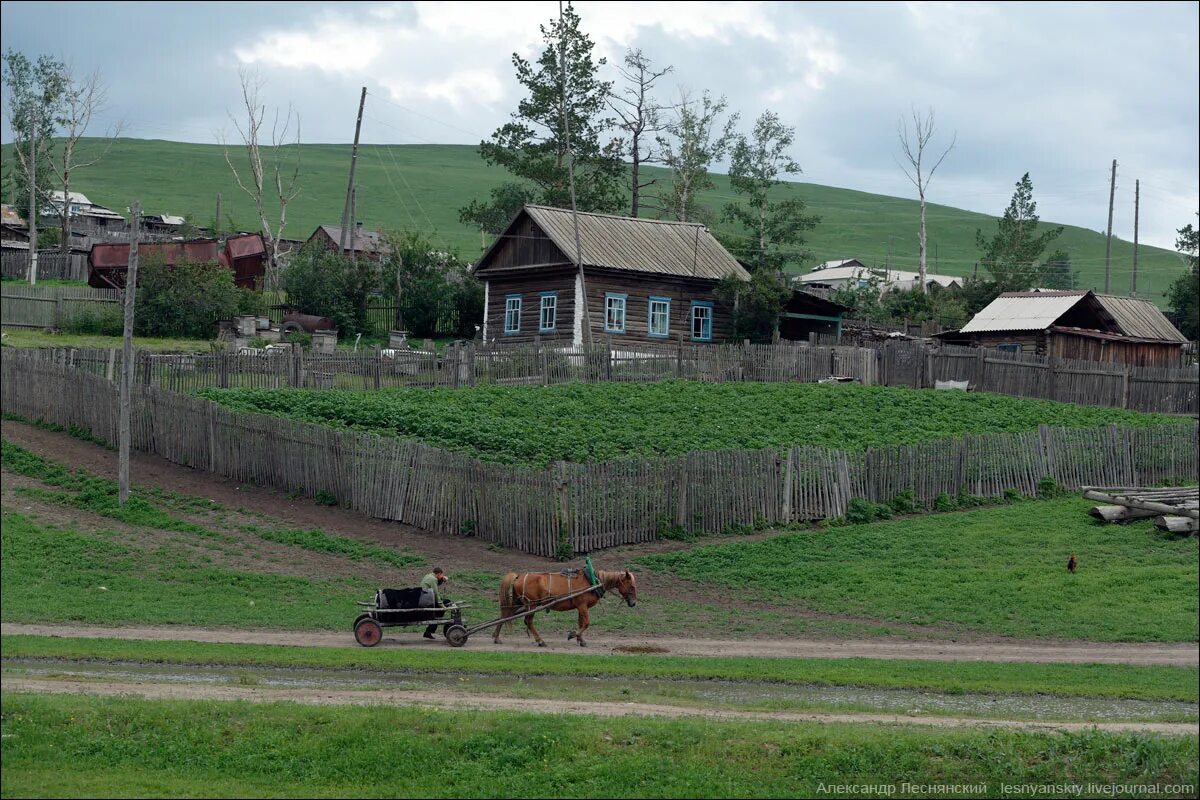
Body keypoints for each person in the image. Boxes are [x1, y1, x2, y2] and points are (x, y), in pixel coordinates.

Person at [421, 567, 448, 639]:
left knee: (438, 612)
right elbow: (436, 594)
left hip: (424, 599)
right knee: (446, 603)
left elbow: (435, 585)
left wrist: (442, 579)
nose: (442, 576)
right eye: (442, 575)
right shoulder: (433, 579)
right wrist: (442, 606)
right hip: (428, 601)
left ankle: (429, 630)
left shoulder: (428, 576)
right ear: (439, 574)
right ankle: (432, 626)